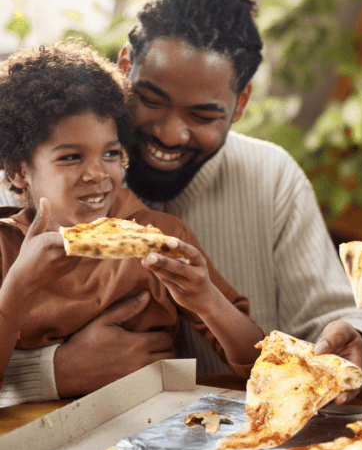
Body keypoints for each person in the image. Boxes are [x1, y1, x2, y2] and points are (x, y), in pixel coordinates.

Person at [0, 0, 362, 405]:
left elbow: (324, 325)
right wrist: (49, 372)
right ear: (125, 67)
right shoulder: (25, 181)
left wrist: (354, 340)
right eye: (152, 100)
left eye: (202, 115)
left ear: (239, 105)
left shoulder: (268, 177)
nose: (170, 133)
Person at [0, 43, 262, 395]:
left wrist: (207, 299)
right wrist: (18, 286)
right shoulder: (5, 250)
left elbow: (261, 363)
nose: (98, 174)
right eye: (71, 157)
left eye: (110, 153)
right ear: (19, 171)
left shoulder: (163, 236)